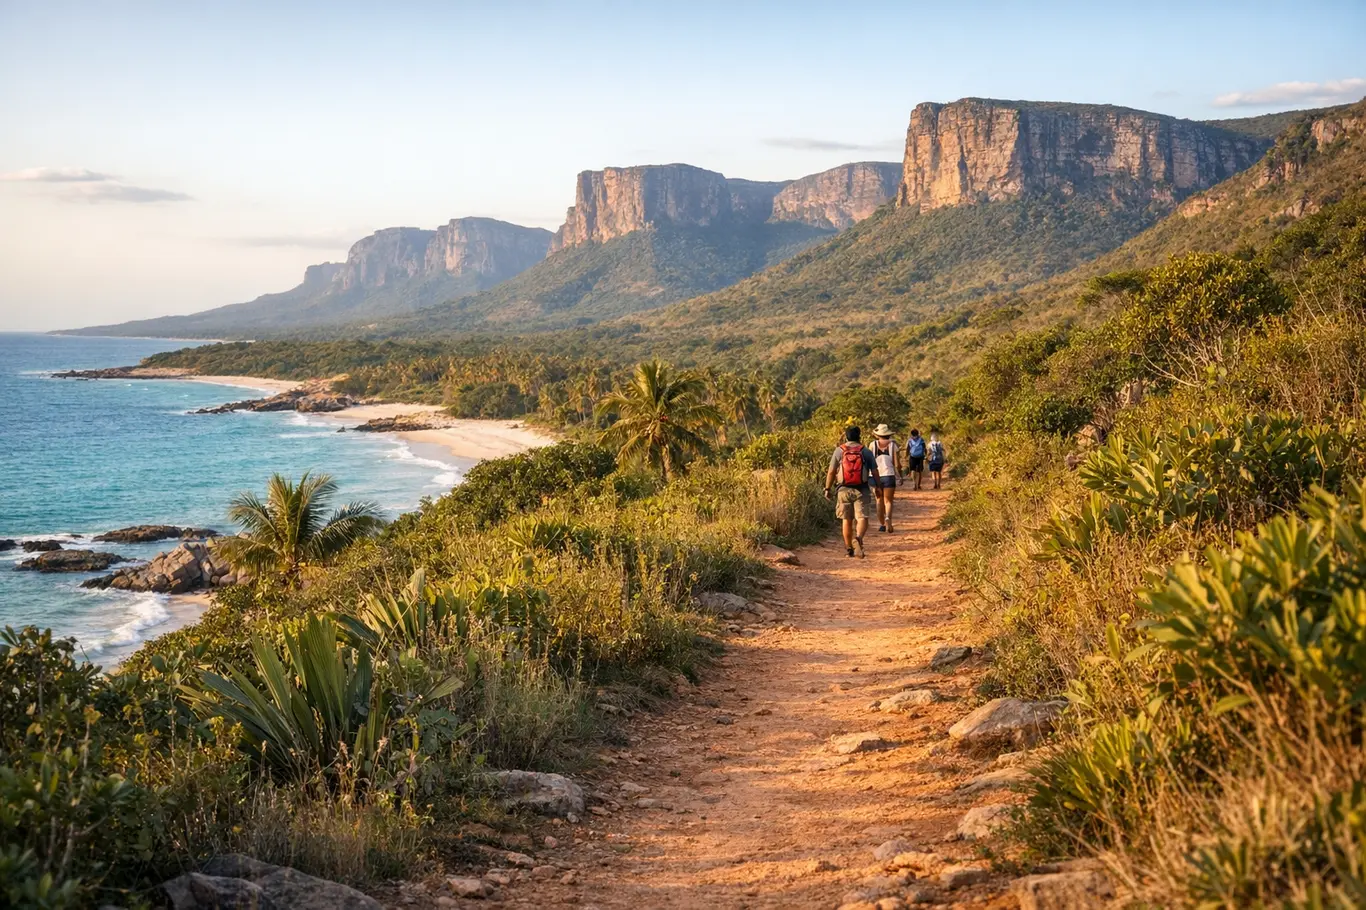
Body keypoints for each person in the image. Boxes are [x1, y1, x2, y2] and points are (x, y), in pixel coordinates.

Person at [824, 425, 879, 558]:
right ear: (859, 436)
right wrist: (878, 486)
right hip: (862, 489)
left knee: (846, 520)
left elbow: (831, 471)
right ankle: (858, 538)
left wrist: (827, 488)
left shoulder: (839, 451)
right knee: (862, 517)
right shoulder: (865, 451)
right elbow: (875, 471)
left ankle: (849, 549)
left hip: (843, 489)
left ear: (846, 436)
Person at [869, 424, 902, 533]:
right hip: (889, 475)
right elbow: (897, 464)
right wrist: (900, 475)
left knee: (879, 500)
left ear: (878, 435)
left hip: (875, 476)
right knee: (888, 501)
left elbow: (869, 461)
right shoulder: (893, 445)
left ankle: (882, 524)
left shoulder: (872, 445)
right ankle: (888, 519)